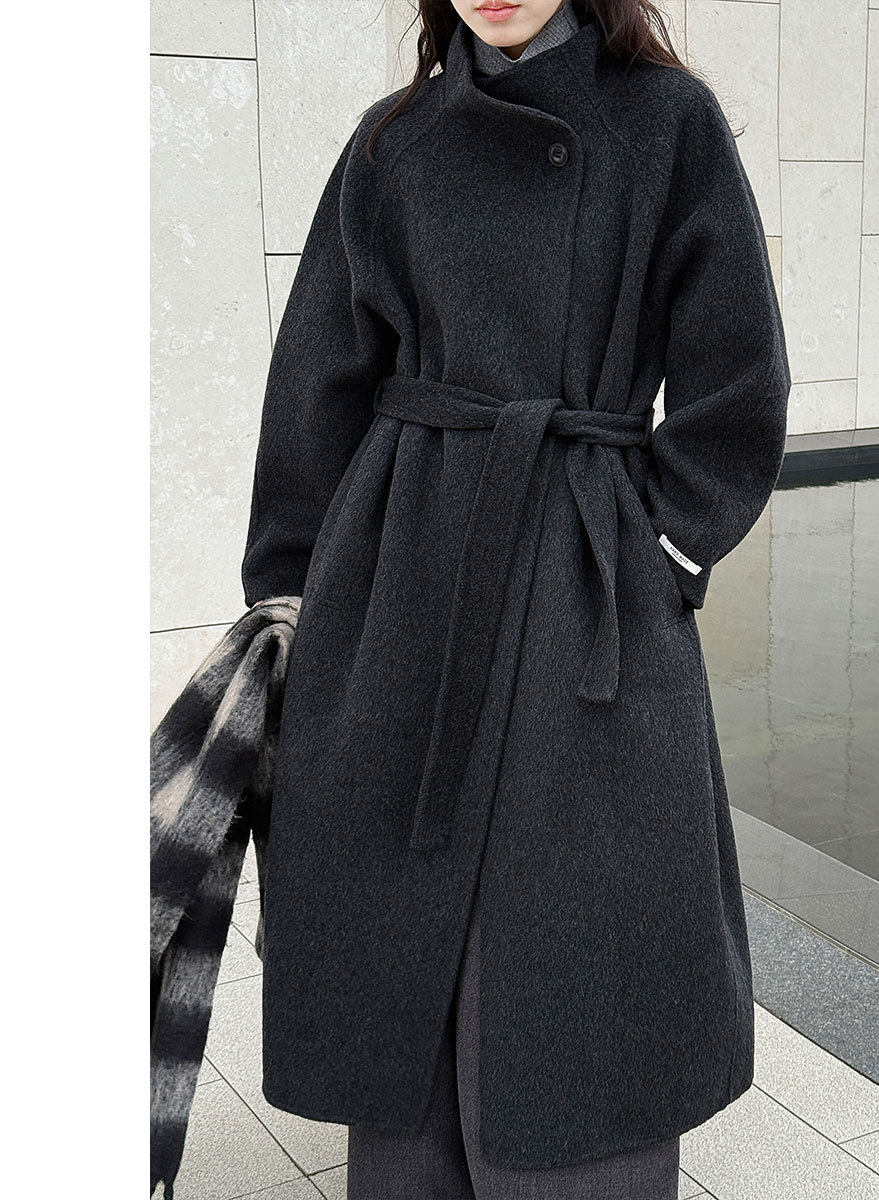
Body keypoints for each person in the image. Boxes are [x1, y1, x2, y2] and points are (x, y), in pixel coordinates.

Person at [239, 1, 791, 1196]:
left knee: (581, 944)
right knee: (402, 932)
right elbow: (318, 381)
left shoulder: (666, 121)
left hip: (588, 580)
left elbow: (738, 372)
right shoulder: (392, 143)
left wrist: (661, 549)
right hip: (401, 575)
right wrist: (288, 597)